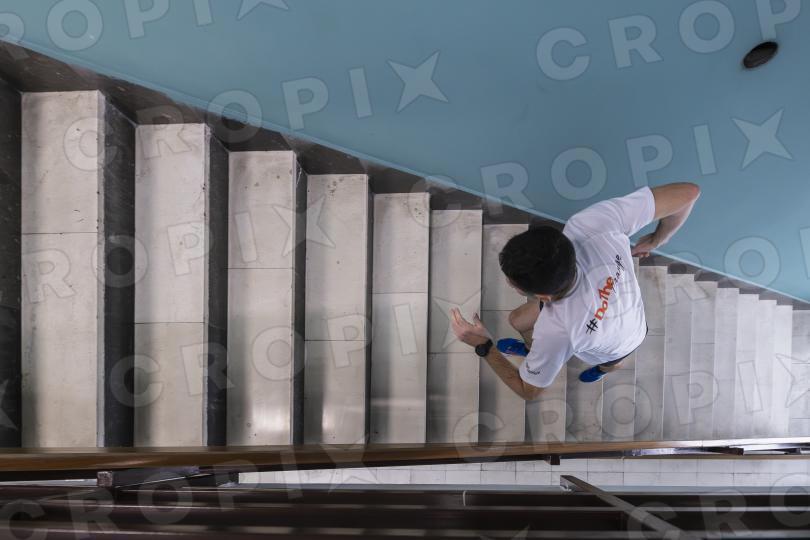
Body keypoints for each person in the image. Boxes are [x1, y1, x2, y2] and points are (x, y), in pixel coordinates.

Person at [450, 182, 701, 401]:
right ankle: (532, 350)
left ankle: (600, 371)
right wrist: (657, 240)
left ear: (544, 297)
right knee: (517, 320)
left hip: (627, 339)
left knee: (612, 362)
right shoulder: (590, 225)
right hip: (619, 311)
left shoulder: (558, 331)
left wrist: (483, 345)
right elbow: (689, 193)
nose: (508, 282)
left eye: (512, 282)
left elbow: (529, 391)